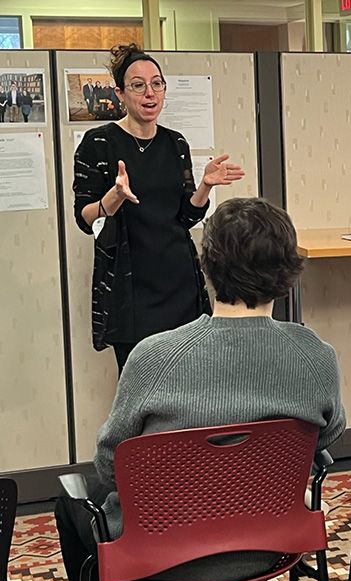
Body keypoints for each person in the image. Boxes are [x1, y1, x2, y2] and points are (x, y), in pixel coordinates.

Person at [55, 197, 347, 581]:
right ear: (288, 271)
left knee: (68, 503)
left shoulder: (154, 357)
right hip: (270, 544)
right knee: (253, 479)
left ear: (207, 267)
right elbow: (330, 432)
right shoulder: (315, 355)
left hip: (155, 555)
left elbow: (110, 467)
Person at [73, 43, 244, 373]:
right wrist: (116, 196)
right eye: (138, 85)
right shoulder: (98, 143)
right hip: (131, 290)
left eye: (157, 83)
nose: (149, 93)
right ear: (121, 93)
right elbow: (85, 217)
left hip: (180, 284)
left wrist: (206, 185)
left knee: (191, 386)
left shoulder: (174, 142)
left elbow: (187, 216)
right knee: (142, 392)